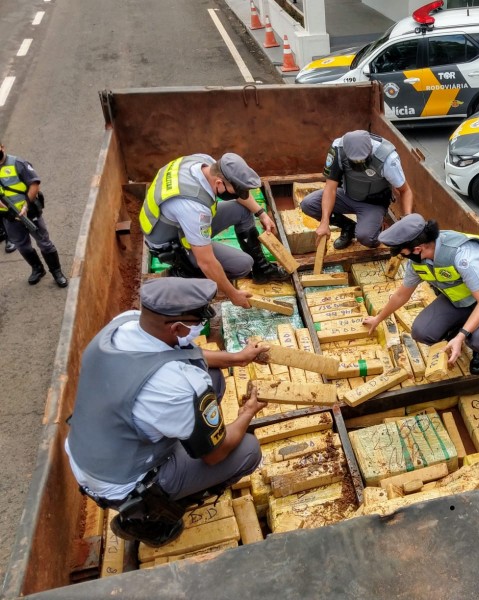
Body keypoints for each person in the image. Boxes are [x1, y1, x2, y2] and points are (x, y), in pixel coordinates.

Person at [65, 278, 269, 547]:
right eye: (198, 322)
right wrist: (247, 412)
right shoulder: (178, 388)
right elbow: (216, 455)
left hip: (95, 448)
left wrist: (238, 358)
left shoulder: (126, 322)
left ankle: (188, 433)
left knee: (212, 379)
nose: (201, 326)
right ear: (177, 327)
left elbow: (181, 354)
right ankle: (150, 515)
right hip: (122, 481)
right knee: (247, 450)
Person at [363, 214, 479, 375]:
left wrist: (461, 337)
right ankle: (460, 326)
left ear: (417, 249)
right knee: (421, 331)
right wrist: (378, 318)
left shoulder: (462, 255)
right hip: (461, 300)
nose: (402, 256)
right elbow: (401, 295)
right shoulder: (418, 261)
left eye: (402, 252)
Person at [139, 152, 289, 309]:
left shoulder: (206, 163)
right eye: (236, 191)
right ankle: (183, 274)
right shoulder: (194, 208)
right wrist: (233, 294)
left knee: (244, 210)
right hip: (171, 242)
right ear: (219, 183)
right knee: (243, 265)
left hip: (180, 223)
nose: (240, 195)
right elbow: (206, 261)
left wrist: (261, 213)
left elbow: (237, 193)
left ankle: (262, 270)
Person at [300, 130, 413, 250]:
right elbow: (330, 188)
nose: (360, 166)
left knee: (366, 237)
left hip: (372, 203)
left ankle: (378, 228)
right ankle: (348, 226)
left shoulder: (387, 158)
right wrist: (324, 222)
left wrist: (407, 219)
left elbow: (405, 191)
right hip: (346, 195)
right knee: (308, 204)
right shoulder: (338, 149)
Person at [0, 143, 67, 286]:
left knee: (44, 243)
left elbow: (35, 184)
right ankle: (37, 269)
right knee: (22, 245)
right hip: (10, 217)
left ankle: (56, 272)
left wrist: (25, 205)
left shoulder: (17, 163)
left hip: (28, 212)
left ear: (2, 147)